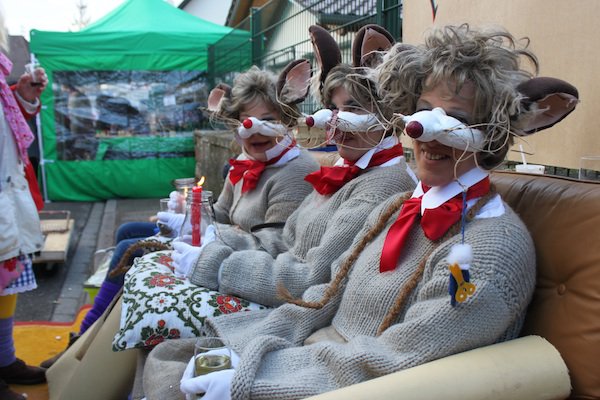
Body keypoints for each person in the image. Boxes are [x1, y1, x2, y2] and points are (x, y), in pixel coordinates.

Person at [143, 24, 579, 399]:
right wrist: (243, 348)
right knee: (168, 358)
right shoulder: (399, 205)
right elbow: (323, 295)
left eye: (456, 118)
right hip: (313, 356)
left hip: (349, 384)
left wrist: (256, 377)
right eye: (424, 112)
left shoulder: (490, 249)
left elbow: (402, 359)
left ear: (493, 134)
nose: (424, 131)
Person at [69, 62, 321, 344]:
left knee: (129, 248)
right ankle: (101, 324)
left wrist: (197, 228)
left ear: (287, 119)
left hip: (247, 266)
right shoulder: (247, 160)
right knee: (127, 231)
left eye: (267, 120)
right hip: (226, 243)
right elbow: (223, 212)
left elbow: (275, 245)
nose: (255, 132)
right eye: (246, 122)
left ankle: (86, 336)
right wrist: (187, 213)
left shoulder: (295, 171)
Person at [0, 10, 50, 400]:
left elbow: (10, 123)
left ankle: (3, 358)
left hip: (7, 195)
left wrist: (24, 95)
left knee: (6, 282)